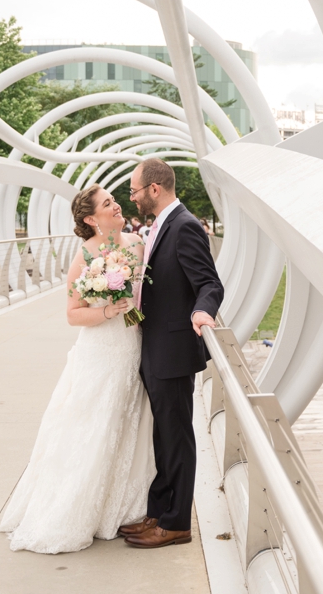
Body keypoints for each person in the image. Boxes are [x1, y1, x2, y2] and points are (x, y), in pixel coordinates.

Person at [0, 184, 155, 554]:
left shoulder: (135, 244)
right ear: (90, 218)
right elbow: (73, 315)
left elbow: (140, 301)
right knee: (90, 425)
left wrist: (129, 311)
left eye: (114, 201)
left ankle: (120, 507)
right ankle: (75, 510)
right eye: (106, 204)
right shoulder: (85, 256)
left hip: (131, 348)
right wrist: (107, 310)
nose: (116, 206)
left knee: (125, 423)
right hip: (99, 353)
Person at [120, 159, 224, 549]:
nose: (131, 198)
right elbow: (156, 288)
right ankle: (159, 512)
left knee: (177, 437)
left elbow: (209, 283)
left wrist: (203, 310)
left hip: (174, 349)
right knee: (163, 437)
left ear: (154, 189)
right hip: (155, 345)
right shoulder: (159, 226)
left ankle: (177, 522)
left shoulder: (184, 227)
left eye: (134, 190)